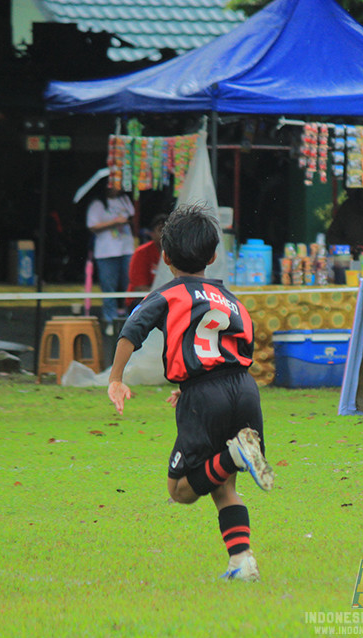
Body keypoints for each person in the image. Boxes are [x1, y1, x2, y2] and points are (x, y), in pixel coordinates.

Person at [107, 203, 275, 582]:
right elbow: (242, 348)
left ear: (165, 256)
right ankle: (241, 561)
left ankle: (235, 454)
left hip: (205, 395)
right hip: (244, 389)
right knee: (222, 484)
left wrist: (116, 378)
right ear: (214, 256)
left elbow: (131, 330)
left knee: (180, 490)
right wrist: (193, 383)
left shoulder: (168, 294)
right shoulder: (230, 299)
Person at [87, 184, 136, 334]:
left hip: (126, 248)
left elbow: (131, 215)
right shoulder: (98, 204)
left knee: (129, 284)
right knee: (109, 286)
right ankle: (110, 319)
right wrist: (114, 223)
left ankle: (131, 318)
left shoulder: (124, 199)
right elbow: (92, 226)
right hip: (107, 251)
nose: (117, 187)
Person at [126, 213, 166, 308]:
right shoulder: (142, 252)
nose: (164, 234)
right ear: (151, 233)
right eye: (160, 230)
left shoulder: (176, 252)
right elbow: (139, 287)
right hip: (141, 299)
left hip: (166, 298)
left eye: (167, 230)